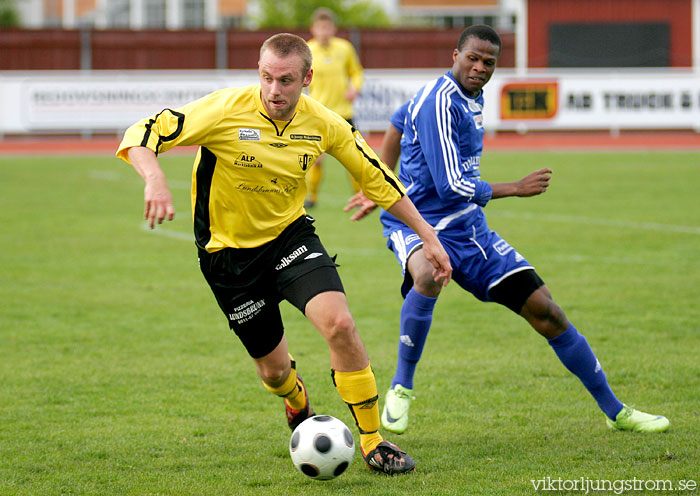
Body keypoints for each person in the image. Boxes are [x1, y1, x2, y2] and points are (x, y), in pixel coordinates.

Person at [116, 33, 453, 475]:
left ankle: (372, 441)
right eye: (267, 78)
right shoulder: (223, 109)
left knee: (341, 324)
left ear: (307, 79)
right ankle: (297, 401)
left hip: (289, 239)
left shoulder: (324, 122)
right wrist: (155, 178)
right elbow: (142, 134)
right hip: (228, 258)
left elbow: (376, 176)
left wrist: (428, 235)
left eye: (287, 80)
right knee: (274, 374)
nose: (275, 90)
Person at [345, 24, 670, 435]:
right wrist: (513, 188)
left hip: (468, 230)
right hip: (418, 222)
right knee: (426, 272)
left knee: (547, 312)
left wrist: (382, 179)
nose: (480, 68)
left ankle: (616, 411)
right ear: (455, 55)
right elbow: (450, 185)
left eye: (489, 62)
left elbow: (395, 122)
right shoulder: (438, 102)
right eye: (473, 58)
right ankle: (401, 388)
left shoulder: (470, 98)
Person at [305, 7, 364, 208]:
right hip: (318, 114)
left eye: (327, 27)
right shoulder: (307, 50)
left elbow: (356, 71)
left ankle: (359, 196)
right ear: (313, 29)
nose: (324, 31)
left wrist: (354, 88)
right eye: (320, 27)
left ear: (333, 29)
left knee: (354, 159)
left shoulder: (344, 48)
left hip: (344, 113)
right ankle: (311, 198)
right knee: (316, 159)